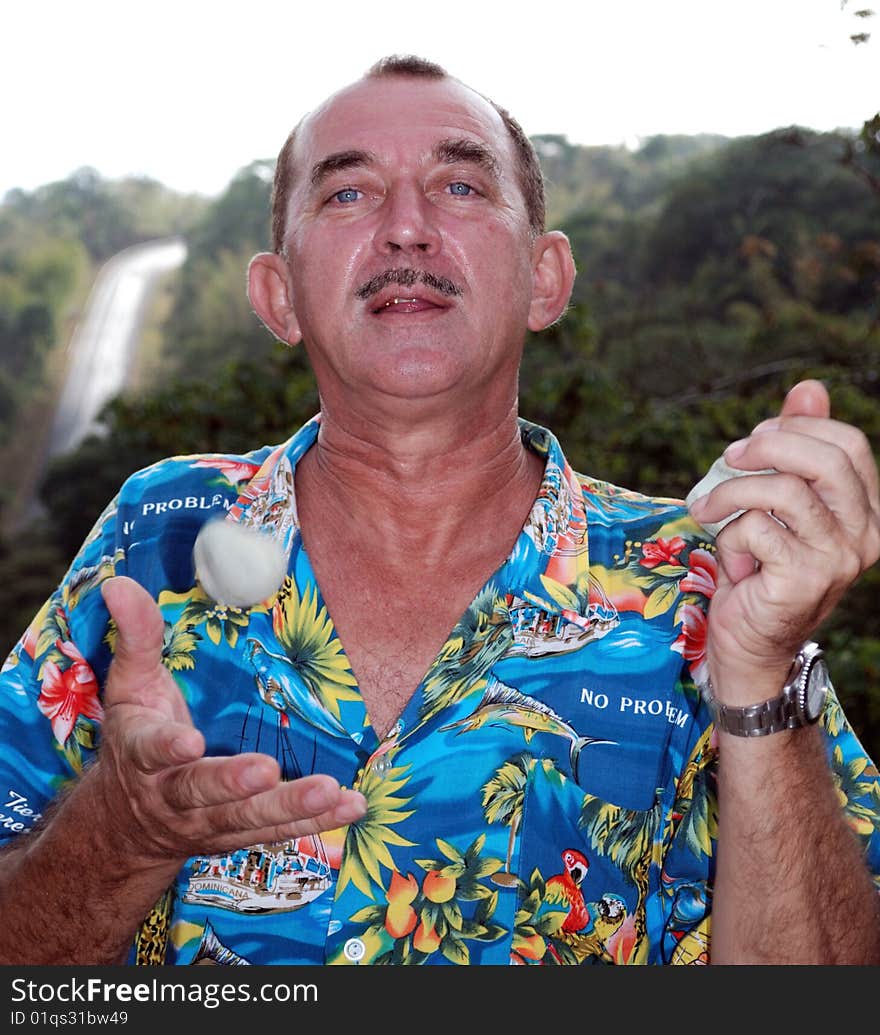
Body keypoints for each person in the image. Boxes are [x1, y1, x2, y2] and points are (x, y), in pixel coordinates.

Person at [0, 54, 878, 968]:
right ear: (278, 295)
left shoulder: (703, 583)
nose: (406, 231)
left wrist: (765, 681)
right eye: (347, 196)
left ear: (546, 279)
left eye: (460, 185)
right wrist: (120, 832)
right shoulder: (160, 533)